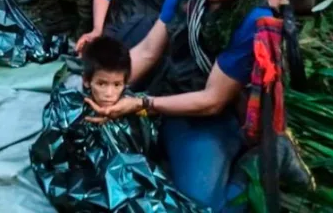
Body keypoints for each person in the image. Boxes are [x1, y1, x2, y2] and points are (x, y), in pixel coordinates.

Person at [85, 0, 275, 211]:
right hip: (169, 91)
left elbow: (212, 101)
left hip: (209, 117)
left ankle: (250, 166)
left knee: (199, 205)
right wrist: (107, 85)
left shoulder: (252, 21)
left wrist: (140, 104)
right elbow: (149, 50)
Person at [30, 36, 205, 212]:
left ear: (125, 83)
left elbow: (148, 139)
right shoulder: (72, 111)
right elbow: (52, 159)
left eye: (116, 84)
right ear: (86, 81)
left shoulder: (132, 106)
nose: (109, 93)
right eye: (101, 84)